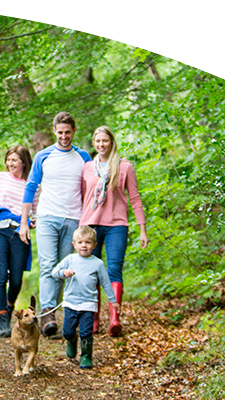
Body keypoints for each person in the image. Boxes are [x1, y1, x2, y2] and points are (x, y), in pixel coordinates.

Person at [20, 112, 92, 337]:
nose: (64, 137)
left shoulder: (83, 157)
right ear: (54, 131)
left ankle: (52, 312)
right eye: (60, 133)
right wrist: (24, 221)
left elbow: (92, 188)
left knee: (62, 268)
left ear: (74, 131)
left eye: (67, 132)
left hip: (73, 218)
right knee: (49, 265)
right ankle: (48, 313)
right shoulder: (43, 156)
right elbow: (30, 187)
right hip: (47, 216)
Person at [79, 125, 148, 336]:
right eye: (98, 141)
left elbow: (135, 199)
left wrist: (142, 229)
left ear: (112, 142)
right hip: (90, 225)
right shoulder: (87, 168)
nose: (101, 145)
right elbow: (83, 198)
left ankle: (115, 319)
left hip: (117, 225)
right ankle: (94, 318)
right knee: (92, 273)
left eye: (105, 141)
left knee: (114, 271)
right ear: (94, 143)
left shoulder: (124, 167)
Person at [0, 145, 39, 337]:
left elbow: (35, 212)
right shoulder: (1, 177)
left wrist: (33, 220)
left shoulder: (32, 185)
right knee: (1, 276)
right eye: (9, 160)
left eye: (14, 160)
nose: (10, 163)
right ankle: (3, 318)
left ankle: (10, 305)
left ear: (23, 162)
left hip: (20, 233)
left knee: (17, 279)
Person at [52, 226, 119, 368]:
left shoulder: (98, 263)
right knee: (68, 332)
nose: (84, 245)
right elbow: (54, 272)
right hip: (70, 303)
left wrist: (113, 301)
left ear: (94, 245)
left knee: (86, 333)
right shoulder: (70, 259)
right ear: (74, 244)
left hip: (88, 304)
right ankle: (71, 340)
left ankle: (86, 356)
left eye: (88, 242)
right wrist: (64, 272)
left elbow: (106, 283)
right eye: (80, 242)